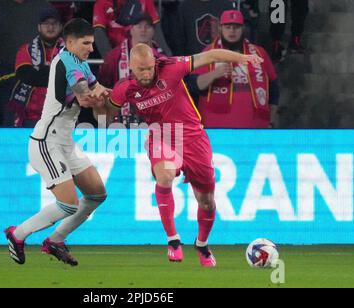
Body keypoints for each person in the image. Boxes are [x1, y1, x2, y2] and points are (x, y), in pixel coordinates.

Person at [95, 43, 262, 266]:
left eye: (149, 68)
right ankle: (173, 241)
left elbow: (210, 55)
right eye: (140, 70)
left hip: (193, 137)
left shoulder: (172, 67)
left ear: (154, 63)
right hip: (160, 135)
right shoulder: (124, 88)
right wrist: (98, 106)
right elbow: (106, 117)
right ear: (131, 69)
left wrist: (242, 57)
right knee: (164, 176)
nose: (146, 74)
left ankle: (202, 244)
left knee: (207, 202)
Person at [5, 19, 111, 266]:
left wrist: (116, 96)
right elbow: (85, 98)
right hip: (46, 143)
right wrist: (105, 97)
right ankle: (17, 234)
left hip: (65, 143)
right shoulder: (67, 62)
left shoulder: (81, 64)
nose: (91, 48)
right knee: (68, 204)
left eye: (92, 43)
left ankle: (55, 240)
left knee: (97, 194)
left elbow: (99, 99)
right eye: (86, 43)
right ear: (71, 42)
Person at [188, 10, 279, 128]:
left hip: (256, 131)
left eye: (236, 27)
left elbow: (273, 90)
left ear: (243, 29)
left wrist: (271, 122)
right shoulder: (208, 53)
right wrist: (214, 74)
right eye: (228, 27)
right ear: (220, 29)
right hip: (215, 131)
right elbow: (193, 87)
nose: (232, 31)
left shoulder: (259, 53)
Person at [0, 0, 52, 126]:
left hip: (37, 76)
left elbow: (55, 34)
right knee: (9, 120)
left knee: (38, 122)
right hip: (6, 75)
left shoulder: (43, 6)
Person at [98, 14, 165, 125]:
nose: (143, 30)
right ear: (131, 30)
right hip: (119, 121)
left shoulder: (161, 58)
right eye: (139, 26)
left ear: (153, 32)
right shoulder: (114, 56)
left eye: (147, 27)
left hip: (152, 121)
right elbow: (103, 85)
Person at [8, 8, 65, 128]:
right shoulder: (26, 49)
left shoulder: (70, 51)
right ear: (39, 27)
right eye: (46, 24)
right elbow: (26, 76)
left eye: (54, 24)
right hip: (30, 116)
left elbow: (70, 76)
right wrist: (55, 74)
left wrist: (40, 72)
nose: (50, 27)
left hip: (61, 116)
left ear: (60, 27)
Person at [93, 0, 171, 58]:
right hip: (116, 54)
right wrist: (110, 59)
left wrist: (168, 55)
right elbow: (99, 34)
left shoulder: (145, 1)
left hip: (142, 54)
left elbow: (156, 29)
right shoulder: (101, 3)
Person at [172, 0, 236, 56]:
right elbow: (179, 39)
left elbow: (234, 37)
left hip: (221, 61)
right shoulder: (184, 7)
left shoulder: (226, 5)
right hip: (195, 63)